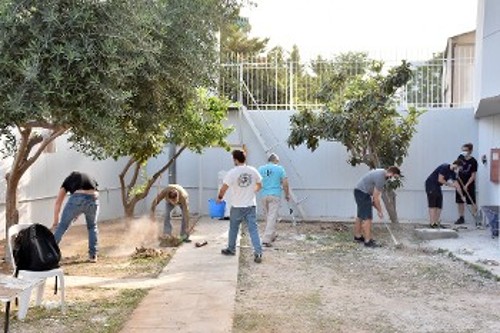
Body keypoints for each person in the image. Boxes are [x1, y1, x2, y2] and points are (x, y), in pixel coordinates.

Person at [217, 149, 264, 263]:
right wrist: (253, 191)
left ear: (236, 160)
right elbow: (260, 184)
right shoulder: (253, 170)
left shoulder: (232, 172)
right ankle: (258, 253)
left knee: (233, 228)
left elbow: (224, 187)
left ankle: (231, 249)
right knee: (253, 229)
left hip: (237, 205)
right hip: (250, 205)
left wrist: (219, 197)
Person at [52, 171, 99, 262]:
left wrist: (55, 221)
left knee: (62, 226)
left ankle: (49, 252)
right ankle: (93, 256)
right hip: (93, 198)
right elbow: (95, 194)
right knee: (92, 226)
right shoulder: (90, 177)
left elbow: (58, 202)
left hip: (77, 198)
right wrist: (77, 212)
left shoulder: (68, 180)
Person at [353, 166, 401, 247]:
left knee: (360, 216)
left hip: (360, 192)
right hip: (362, 193)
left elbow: (374, 199)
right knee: (368, 218)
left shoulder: (382, 172)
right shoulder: (381, 178)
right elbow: (376, 197)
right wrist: (380, 211)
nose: (393, 179)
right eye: (394, 177)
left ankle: (357, 236)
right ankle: (367, 241)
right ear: (392, 173)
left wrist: (378, 209)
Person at [258, 153, 290, 247]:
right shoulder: (280, 169)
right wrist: (287, 194)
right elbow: (285, 183)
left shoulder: (261, 169)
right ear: (275, 160)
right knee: (272, 216)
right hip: (275, 194)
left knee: (268, 216)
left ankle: (272, 234)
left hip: (264, 194)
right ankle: (266, 239)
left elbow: (258, 181)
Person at [425, 160, 466, 228]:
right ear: (456, 165)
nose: (458, 170)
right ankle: (432, 223)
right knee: (433, 204)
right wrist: (450, 185)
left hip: (437, 186)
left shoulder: (453, 173)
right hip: (431, 184)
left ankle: (436, 222)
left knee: (439, 205)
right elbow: (440, 179)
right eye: (459, 168)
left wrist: (462, 196)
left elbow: (457, 185)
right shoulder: (444, 167)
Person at [455, 143, 478, 225]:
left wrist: (467, 185)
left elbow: (473, 175)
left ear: (470, 151)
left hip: (470, 183)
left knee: (472, 201)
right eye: (463, 150)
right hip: (460, 182)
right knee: (460, 201)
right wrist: (457, 171)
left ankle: (476, 219)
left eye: (465, 150)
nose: (463, 152)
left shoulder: (473, 161)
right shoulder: (460, 157)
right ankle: (461, 218)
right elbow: (456, 167)